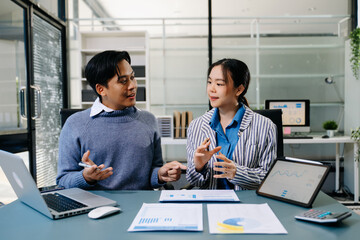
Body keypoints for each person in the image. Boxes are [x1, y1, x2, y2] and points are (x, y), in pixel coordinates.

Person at [57, 50, 186, 190]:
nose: (133, 86)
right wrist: (86, 177)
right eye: (123, 81)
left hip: (141, 205)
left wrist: (160, 175)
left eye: (132, 77)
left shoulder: (148, 120)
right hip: (97, 207)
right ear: (101, 89)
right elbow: (63, 180)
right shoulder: (75, 124)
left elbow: (154, 170)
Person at [186, 58, 277, 190]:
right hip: (210, 203)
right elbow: (194, 181)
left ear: (239, 89)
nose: (211, 89)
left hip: (247, 204)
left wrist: (237, 173)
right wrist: (199, 167)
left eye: (219, 84)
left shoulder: (265, 126)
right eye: (210, 82)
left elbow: (270, 177)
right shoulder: (196, 126)